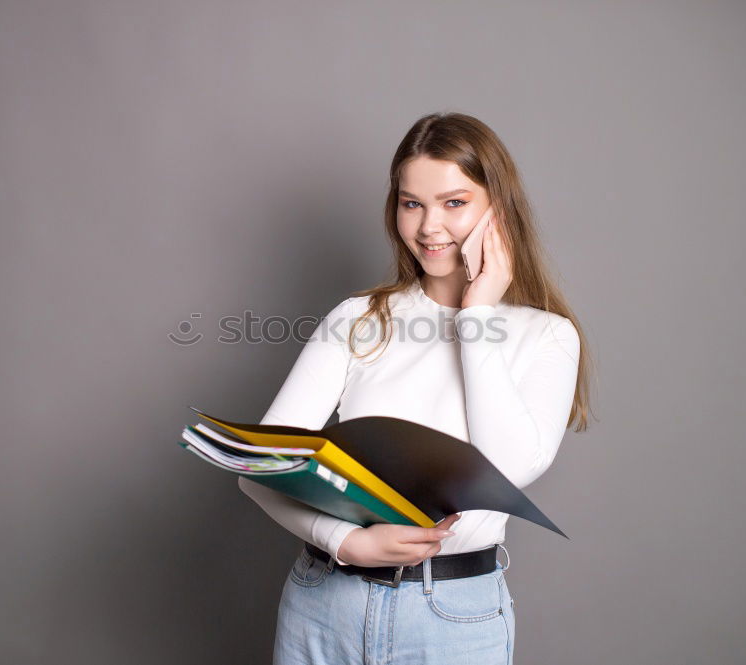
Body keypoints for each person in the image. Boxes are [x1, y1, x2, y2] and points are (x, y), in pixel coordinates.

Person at [238, 111, 594, 665]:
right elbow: (260, 469)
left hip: (452, 619)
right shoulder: (358, 319)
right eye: (412, 203)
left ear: (497, 210)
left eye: (454, 202)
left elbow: (508, 469)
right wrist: (346, 542)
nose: (429, 227)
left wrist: (474, 317)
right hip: (323, 605)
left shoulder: (546, 336)